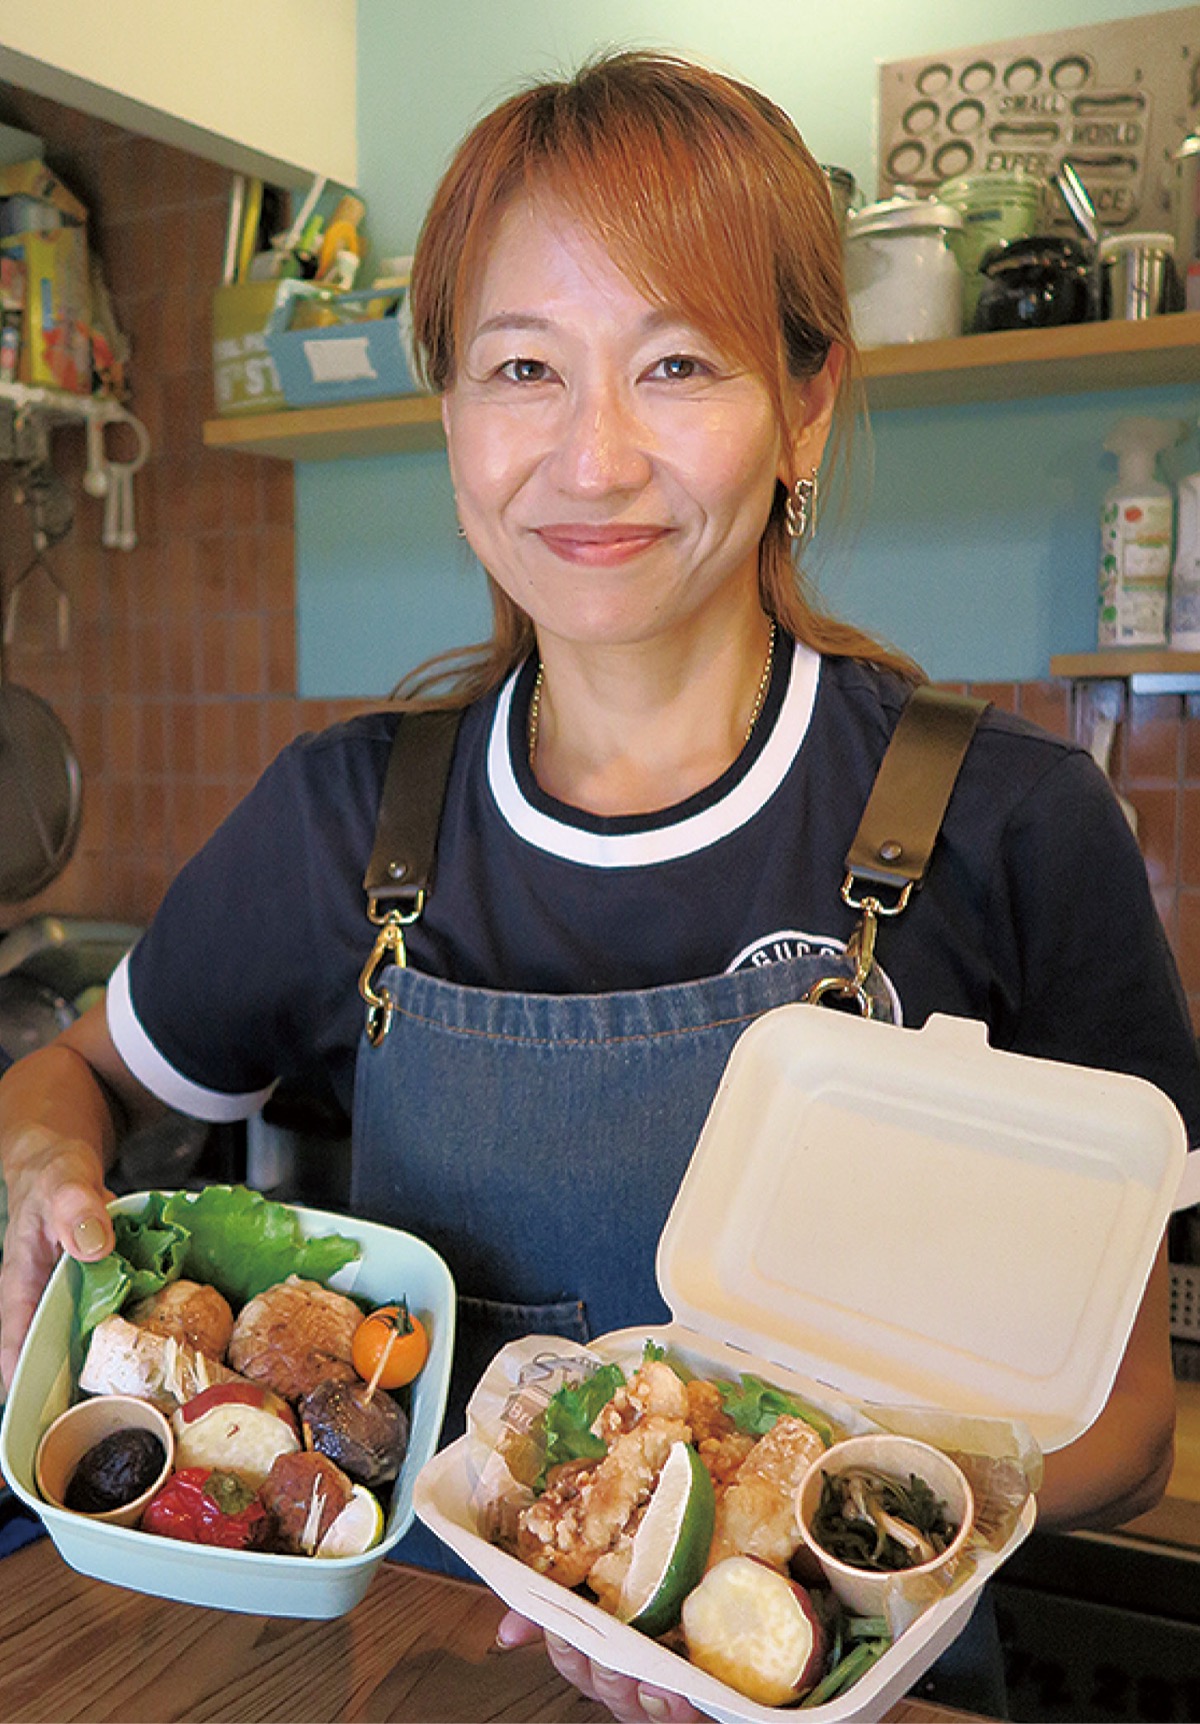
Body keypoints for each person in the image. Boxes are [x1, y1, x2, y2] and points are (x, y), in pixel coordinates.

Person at [2, 49, 1197, 1723]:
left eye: (678, 363)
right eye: (522, 368)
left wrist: (751, 1557)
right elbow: (70, 1075)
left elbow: (1130, 1430)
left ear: (807, 400)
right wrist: (43, 1167)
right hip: (432, 1679)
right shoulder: (354, 819)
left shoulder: (1016, 829)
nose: (593, 456)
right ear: (452, 413)